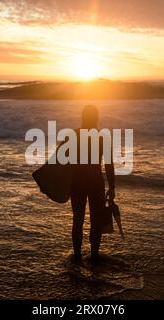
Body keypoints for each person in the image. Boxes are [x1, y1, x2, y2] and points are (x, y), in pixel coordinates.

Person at [70, 105, 115, 263]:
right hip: (96, 182)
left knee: (78, 220)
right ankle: (94, 255)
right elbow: (109, 164)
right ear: (96, 118)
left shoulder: (73, 135)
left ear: (83, 117)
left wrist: (54, 184)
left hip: (77, 182)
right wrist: (112, 187)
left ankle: (77, 256)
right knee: (96, 221)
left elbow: (60, 163)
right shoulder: (103, 138)